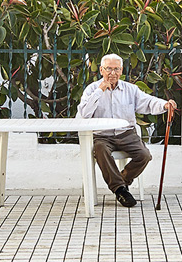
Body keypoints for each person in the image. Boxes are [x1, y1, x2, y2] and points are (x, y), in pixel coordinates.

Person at [75, 53, 175, 208]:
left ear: (121, 71)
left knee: (144, 155)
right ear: (101, 70)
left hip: (126, 134)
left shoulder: (130, 89)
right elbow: (84, 114)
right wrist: (99, 91)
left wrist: (165, 105)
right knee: (100, 149)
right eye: (108, 69)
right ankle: (120, 189)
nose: (112, 73)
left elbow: (147, 102)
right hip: (102, 136)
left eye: (116, 69)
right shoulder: (92, 89)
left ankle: (121, 182)